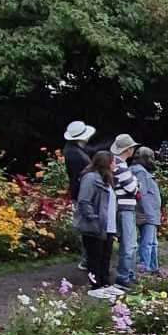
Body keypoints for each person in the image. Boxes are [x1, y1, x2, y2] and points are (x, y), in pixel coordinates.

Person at [73, 151, 118, 296]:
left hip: (108, 225)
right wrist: (94, 218)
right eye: (113, 161)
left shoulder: (106, 179)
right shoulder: (91, 178)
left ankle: (105, 283)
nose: (115, 164)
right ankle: (95, 286)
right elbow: (84, 201)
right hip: (95, 225)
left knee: (106, 256)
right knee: (95, 256)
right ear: (107, 162)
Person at [63, 121, 97, 272]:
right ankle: (87, 259)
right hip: (83, 194)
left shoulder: (74, 149)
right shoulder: (75, 155)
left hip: (81, 193)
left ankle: (88, 258)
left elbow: (91, 149)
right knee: (87, 225)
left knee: (87, 226)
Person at [109, 134, 141, 290]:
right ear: (128, 149)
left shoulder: (119, 165)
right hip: (125, 207)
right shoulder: (121, 166)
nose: (134, 150)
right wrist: (136, 183)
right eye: (132, 147)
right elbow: (132, 188)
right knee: (128, 245)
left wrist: (134, 182)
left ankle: (129, 274)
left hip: (126, 207)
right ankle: (123, 277)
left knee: (131, 244)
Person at [131, 147, 162, 276]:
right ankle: (145, 270)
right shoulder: (140, 172)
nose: (152, 160)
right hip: (147, 213)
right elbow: (141, 194)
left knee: (153, 243)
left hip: (151, 213)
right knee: (147, 243)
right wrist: (149, 212)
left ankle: (154, 268)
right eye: (151, 157)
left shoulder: (142, 171)